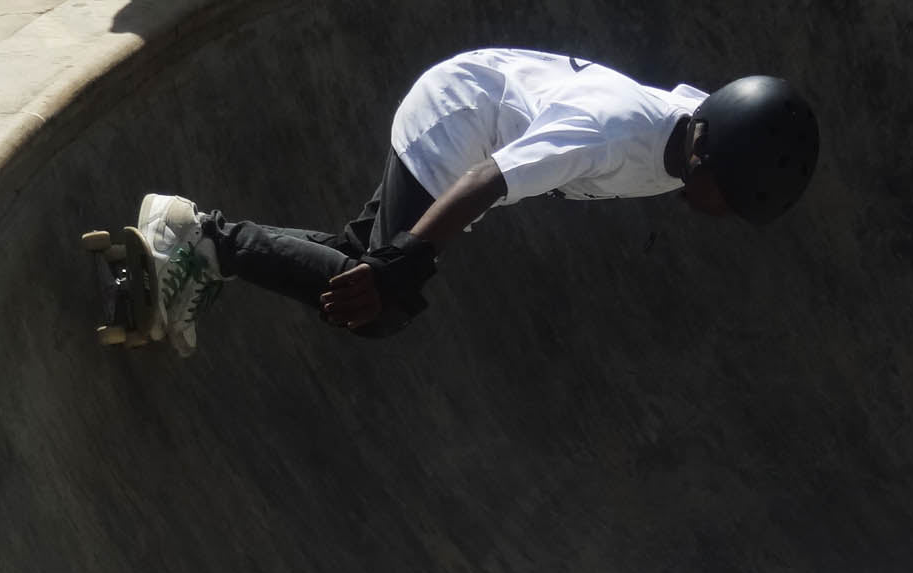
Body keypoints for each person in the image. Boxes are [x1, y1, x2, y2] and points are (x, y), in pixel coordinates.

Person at [132, 48, 820, 355]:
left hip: (480, 120)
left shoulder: (704, 124)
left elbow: (733, 114)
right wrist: (407, 262)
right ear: (703, 156)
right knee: (382, 303)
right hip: (457, 124)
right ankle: (206, 240)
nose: (721, 211)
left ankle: (201, 239)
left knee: (354, 262)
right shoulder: (605, 135)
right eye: (725, 196)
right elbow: (485, 179)